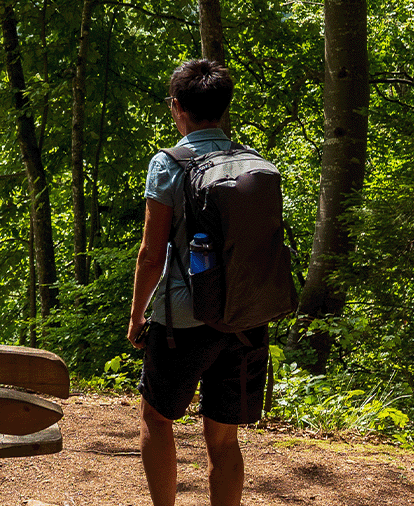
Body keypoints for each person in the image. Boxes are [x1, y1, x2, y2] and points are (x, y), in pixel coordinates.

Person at [128, 59, 269, 506]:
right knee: (224, 440)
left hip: (183, 321)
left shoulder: (168, 164)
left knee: (156, 417)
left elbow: (151, 254)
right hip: (245, 317)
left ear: (177, 107)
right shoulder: (254, 164)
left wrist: (137, 316)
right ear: (224, 108)